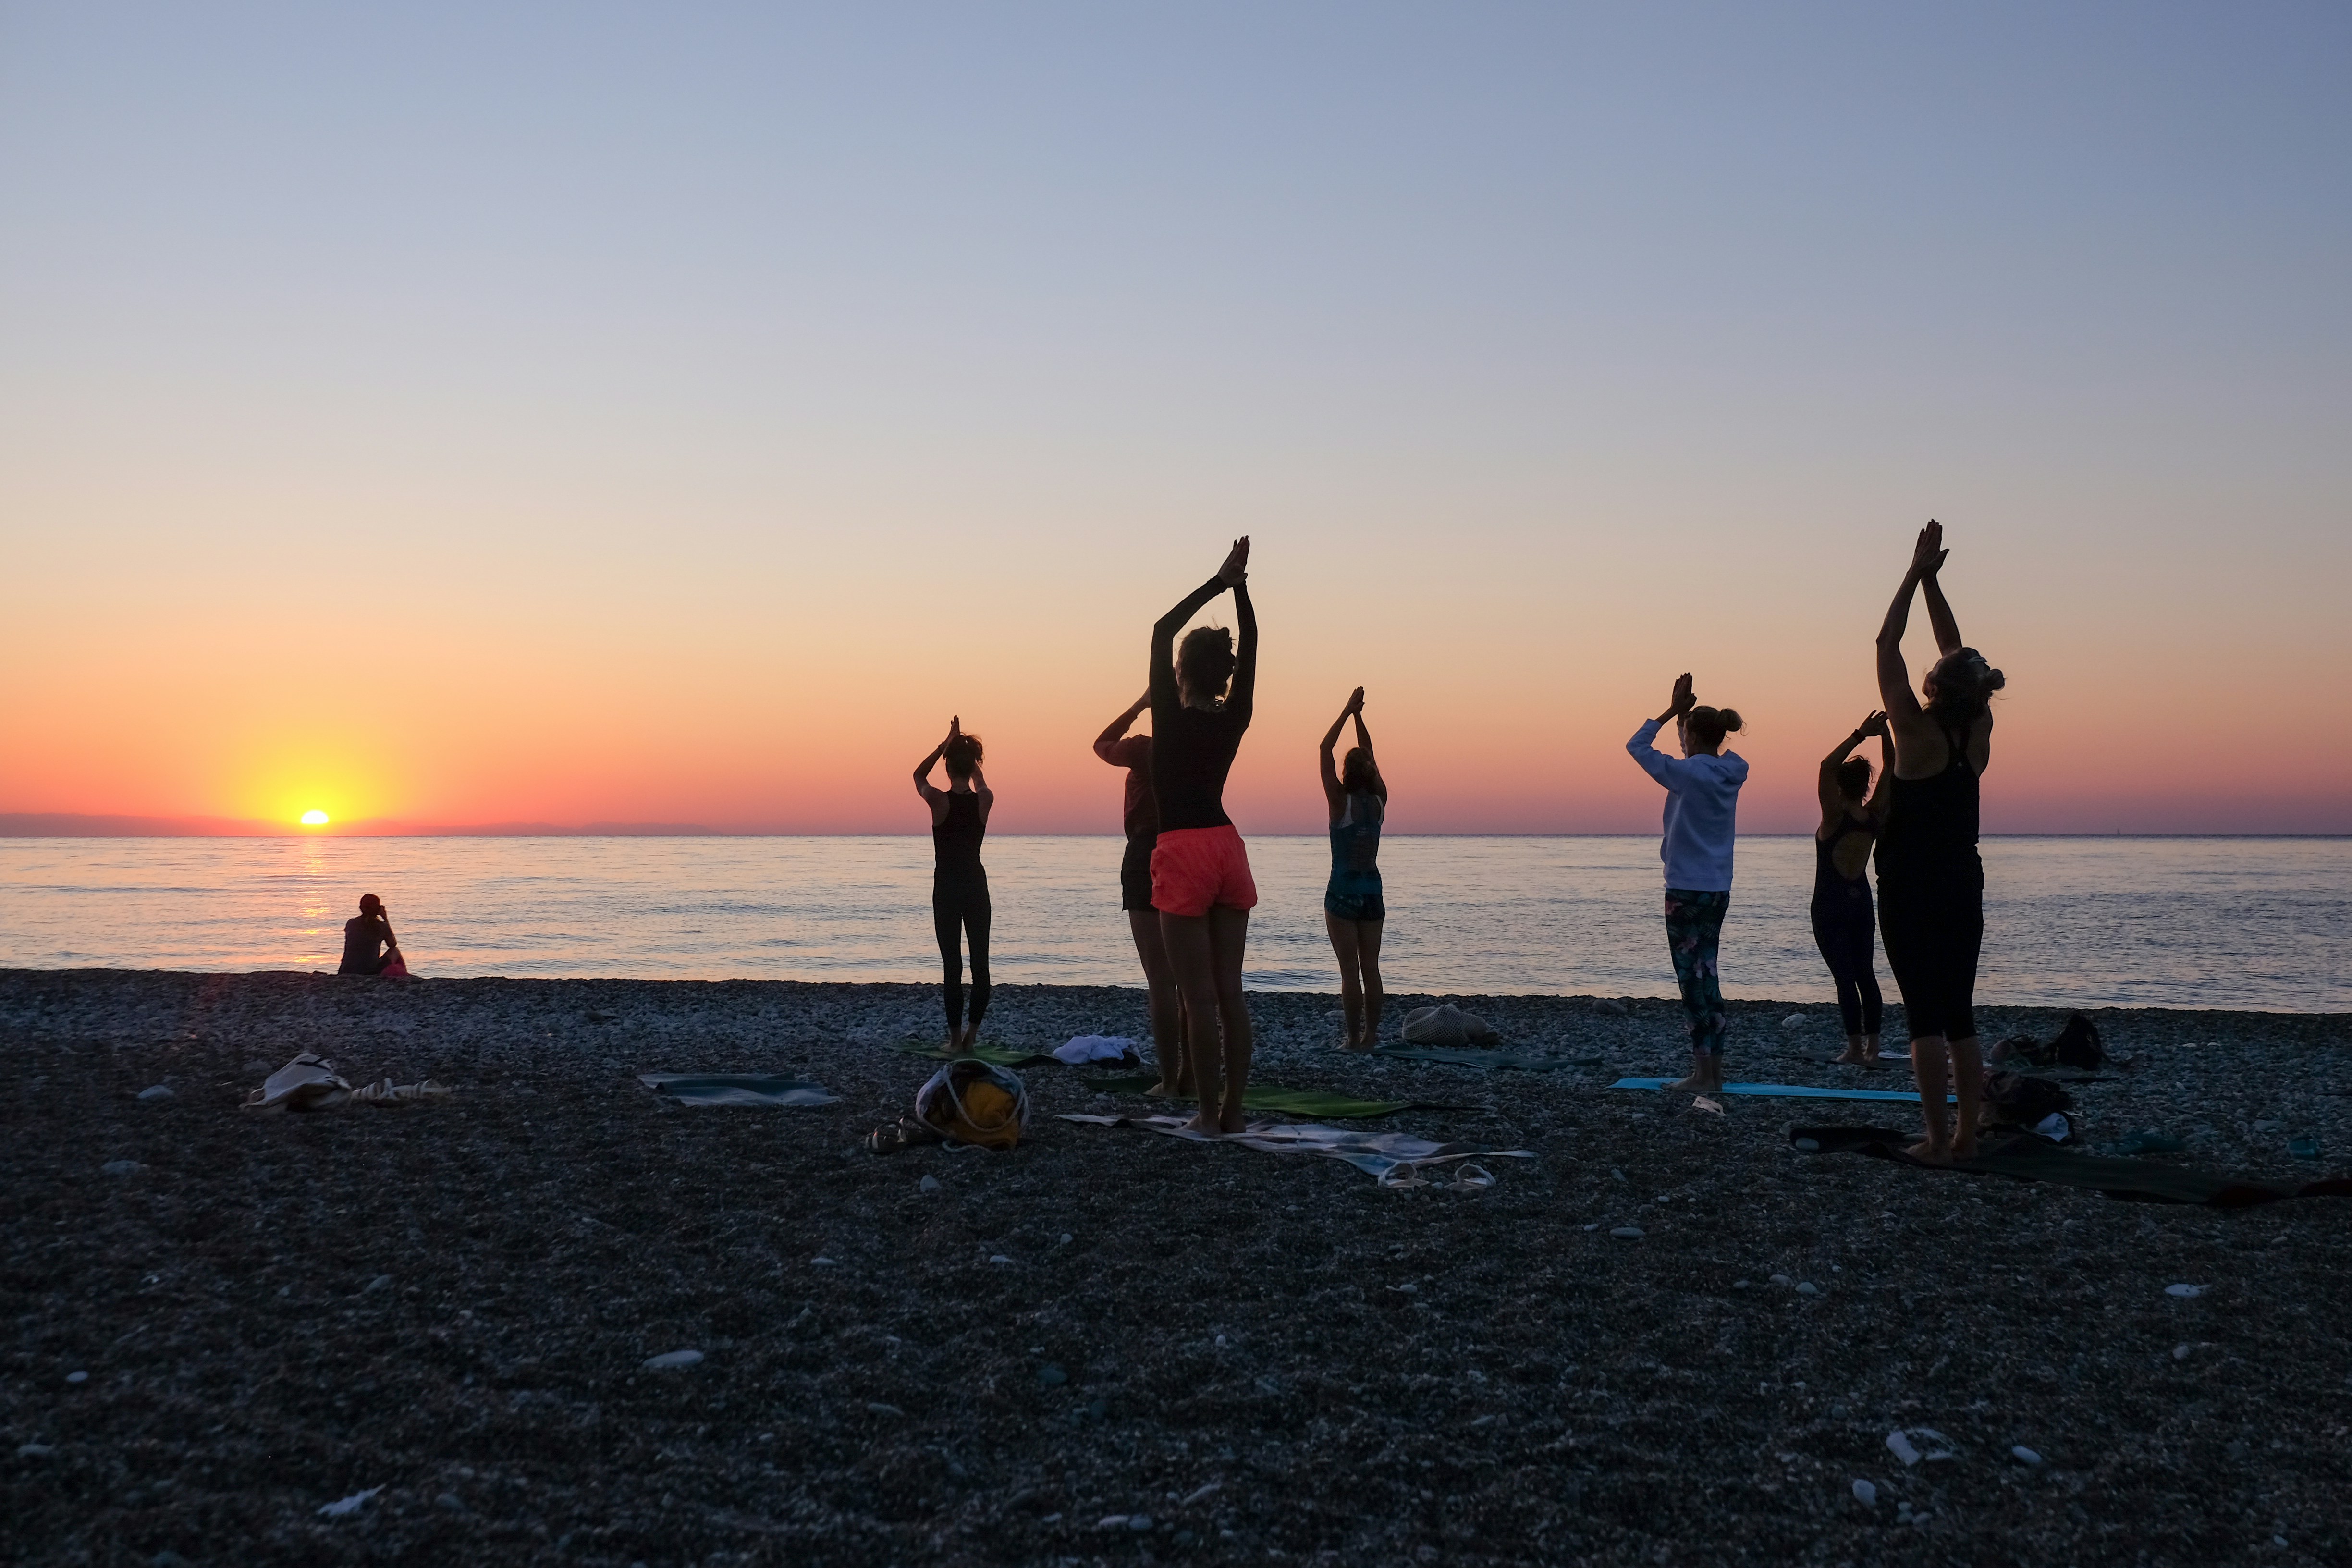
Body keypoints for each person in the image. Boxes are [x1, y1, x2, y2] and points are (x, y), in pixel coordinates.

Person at [1874, 519, 2005, 1162]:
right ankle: (1965, 1138)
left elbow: (1886, 642)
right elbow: (1954, 651)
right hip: (1962, 879)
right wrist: (1933, 582)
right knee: (1960, 1013)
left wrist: (1913, 574)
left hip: (1909, 882)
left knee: (1923, 1015)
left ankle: (1933, 1141)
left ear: (1932, 688)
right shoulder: (1975, 729)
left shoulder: (1913, 733)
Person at [1149, 537, 1258, 1135]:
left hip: (1184, 849)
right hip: (1227, 846)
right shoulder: (1234, 716)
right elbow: (1256, 646)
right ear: (1225, 676)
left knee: (1197, 998)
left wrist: (1219, 582)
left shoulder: (1167, 712)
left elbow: (1163, 626)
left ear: (1181, 672)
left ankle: (1208, 1117)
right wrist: (1242, 591)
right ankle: (1235, 1114)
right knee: (1230, 995)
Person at [1626, 674, 1749, 1095]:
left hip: (1683, 889)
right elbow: (1691, 754)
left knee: (1690, 982)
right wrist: (1684, 716)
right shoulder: (1729, 771)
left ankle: (1702, 1076)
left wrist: (1666, 712)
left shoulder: (1688, 774)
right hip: (1717, 887)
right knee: (1708, 975)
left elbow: (1637, 747)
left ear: (1693, 736)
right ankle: (1713, 1074)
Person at [1093, 692, 1190, 1096]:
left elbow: (1101, 745)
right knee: (1190, 981)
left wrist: (1138, 707)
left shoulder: (1145, 748)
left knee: (1160, 981)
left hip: (1147, 849)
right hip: (1188, 850)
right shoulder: (1197, 750)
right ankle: (1191, 1072)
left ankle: (1170, 1081)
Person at [1814, 710, 1894, 1067]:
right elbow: (1892, 766)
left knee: (1845, 978)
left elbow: (1825, 765)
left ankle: (1854, 1051)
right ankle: (1874, 1052)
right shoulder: (1875, 815)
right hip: (1861, 903)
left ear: (1840, 787)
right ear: (1865, 786)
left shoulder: (1833, 816)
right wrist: (1887, 733)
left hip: (1830, 905)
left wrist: (1861, 734)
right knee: (1866, 974)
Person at [913, 717, 993, 1054]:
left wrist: (944, 745)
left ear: (948, 768)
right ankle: (972, 1037)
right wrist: (964, 754)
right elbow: (980, 781)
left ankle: (956, 1040)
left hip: (947, 888)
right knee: (981, 965)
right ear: (972, 765)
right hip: (976, 886)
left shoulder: (938, 801)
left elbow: (918, 776)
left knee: (953, 967)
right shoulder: (984, 800)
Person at [1318, 686, 1388, 1050]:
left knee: (1350, 973)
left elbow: (1324, 750)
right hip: (1373, 894)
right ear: (1372, 772)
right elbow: (1371, 757)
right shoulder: (1379, 801)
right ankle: (1372, 1036)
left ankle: (1351, 1039)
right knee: (1371, 969)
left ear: (1347, 772)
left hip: (1343, 893)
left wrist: (1346, 712)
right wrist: (1360, 717)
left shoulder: (1338, 800)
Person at [337, 894, 404, 976]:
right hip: (369, 971)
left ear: (361, 908)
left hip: (346, 970)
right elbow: (392, 944)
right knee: (395, 951)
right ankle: (404, 976)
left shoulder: (351, 923)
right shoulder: (382, 926)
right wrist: (385, 918)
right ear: (379, 909)